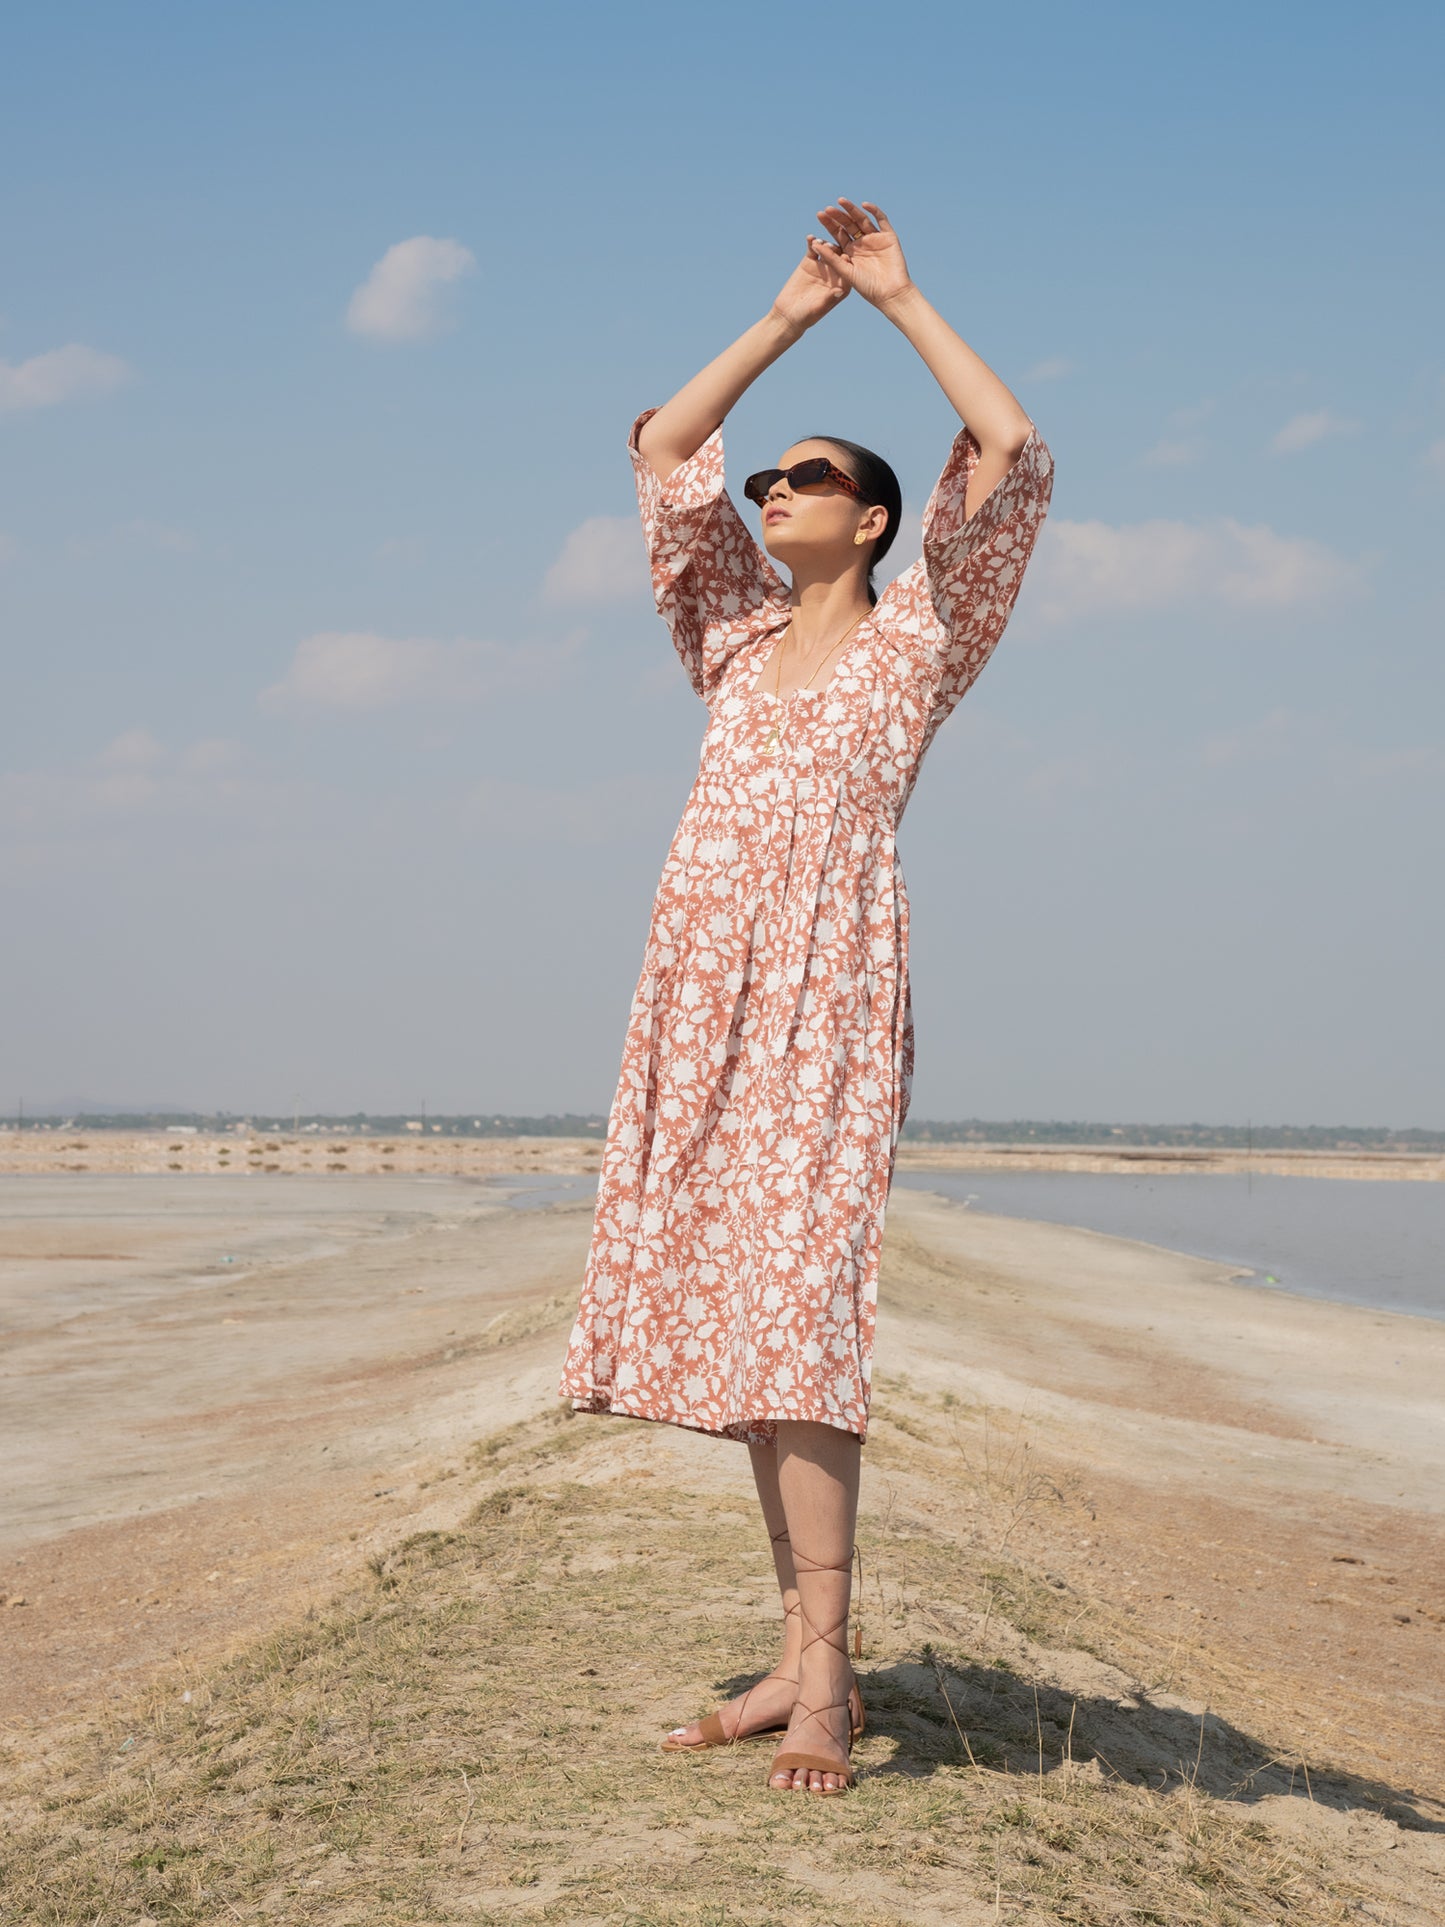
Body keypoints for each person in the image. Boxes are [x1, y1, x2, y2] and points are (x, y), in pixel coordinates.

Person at [557, 197, 1054, 1795]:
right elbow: (663, 447)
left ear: (880, 521)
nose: (774, 489)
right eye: (771, 481)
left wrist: (898, 300)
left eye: (812, 478)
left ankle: (829, 1681)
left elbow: (1014, 448)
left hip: (828, 986)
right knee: (741, 1332)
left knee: (800, 1322)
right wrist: (788, 315)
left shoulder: (921, 637)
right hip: (696, 985)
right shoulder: (727, 633)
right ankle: (788, 1657)